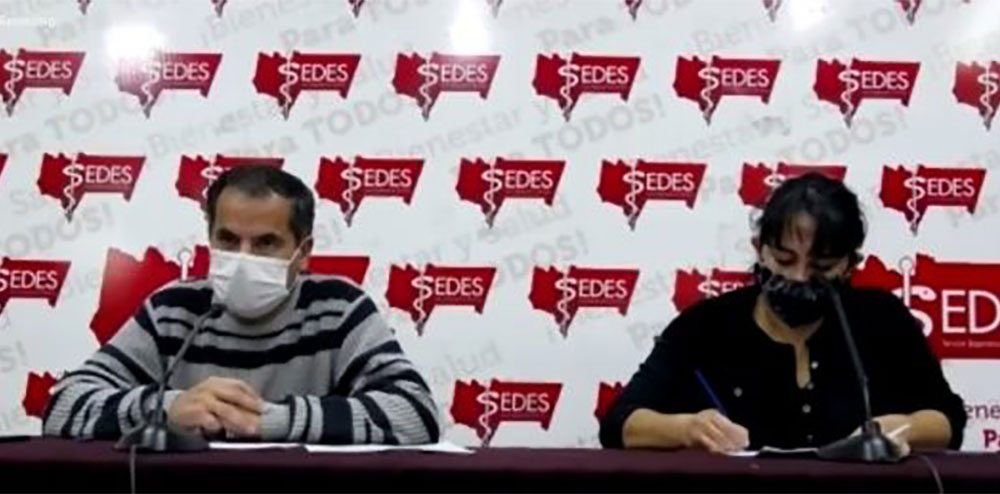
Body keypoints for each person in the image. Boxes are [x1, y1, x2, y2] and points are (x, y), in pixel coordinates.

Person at [43, 166, 440, 445]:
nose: (243, 258)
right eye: (229, 240)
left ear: (303, 252)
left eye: (266, 243)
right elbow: (62, 406)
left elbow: (416, 413)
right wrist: (168, 407)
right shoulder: (174, 310)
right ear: (210, 239)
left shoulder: (339, 308)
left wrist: (270, 420)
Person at [599, 173, 966, 454]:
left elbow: (949, 420)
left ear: (850, 264)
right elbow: (619, 424)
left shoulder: (882, 320)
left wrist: (903, 428)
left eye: (822, 266)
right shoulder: (706, 325)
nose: (800, 277)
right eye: (784, 259)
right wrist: (688, 429)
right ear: (759, 249)